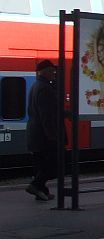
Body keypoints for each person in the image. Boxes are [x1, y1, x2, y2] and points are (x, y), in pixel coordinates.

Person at [26, 59, 61, 201]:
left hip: (35, 133)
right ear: (46, 72)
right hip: (43, 135)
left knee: (41, 165)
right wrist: (52, 135)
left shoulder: (36, 86)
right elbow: (46, 114)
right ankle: (36, 185)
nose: (54, 73)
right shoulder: (45, 88)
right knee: (52, 164)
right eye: (52, 71)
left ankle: (42, 192)